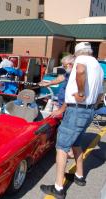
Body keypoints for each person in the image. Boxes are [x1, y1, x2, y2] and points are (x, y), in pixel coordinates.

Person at [40, 42, 104, 199]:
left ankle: (58, 188)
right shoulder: (98, 66)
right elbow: (100, 95)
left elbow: (80, 71)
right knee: (76, 143)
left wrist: (81, 93)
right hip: (89, 111)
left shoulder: (81, 62)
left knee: (62, 147)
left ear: (78, 54)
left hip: (76, 110)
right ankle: (80, 177)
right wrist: (89, 103)